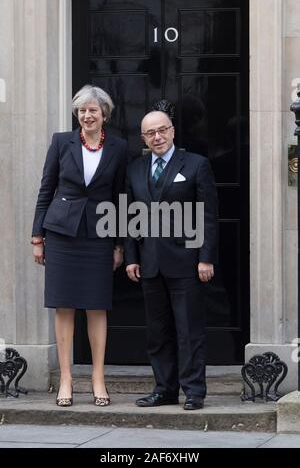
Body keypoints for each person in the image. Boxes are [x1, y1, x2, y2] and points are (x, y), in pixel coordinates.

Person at [31, 85, 127, 407]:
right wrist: (37, 238)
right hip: (61, 234)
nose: (87, 115)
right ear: (77, 114)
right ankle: (67, 378)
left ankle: (98, 376)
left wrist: (118, 244)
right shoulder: (61, 142)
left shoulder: (118, 147)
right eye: (82, 111)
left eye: (93, 111)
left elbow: (120, 199)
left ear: (104, 115)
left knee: (97, 305)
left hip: (99, 234)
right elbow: (46, 188)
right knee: (64, 305)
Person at [125, 110, 218, 410]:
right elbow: (129, 216)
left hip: (186, 262)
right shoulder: (136, 169)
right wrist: (131, 257)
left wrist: (206, 258)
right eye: (150, 133)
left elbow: (207, 216)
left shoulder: (196, 164)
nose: (157, 137)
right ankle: (164, 389)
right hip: (150, 263)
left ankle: (194, 392)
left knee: (189, 330)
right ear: (143, 138)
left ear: (173, 131)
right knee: (158, 332)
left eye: (162, 130)